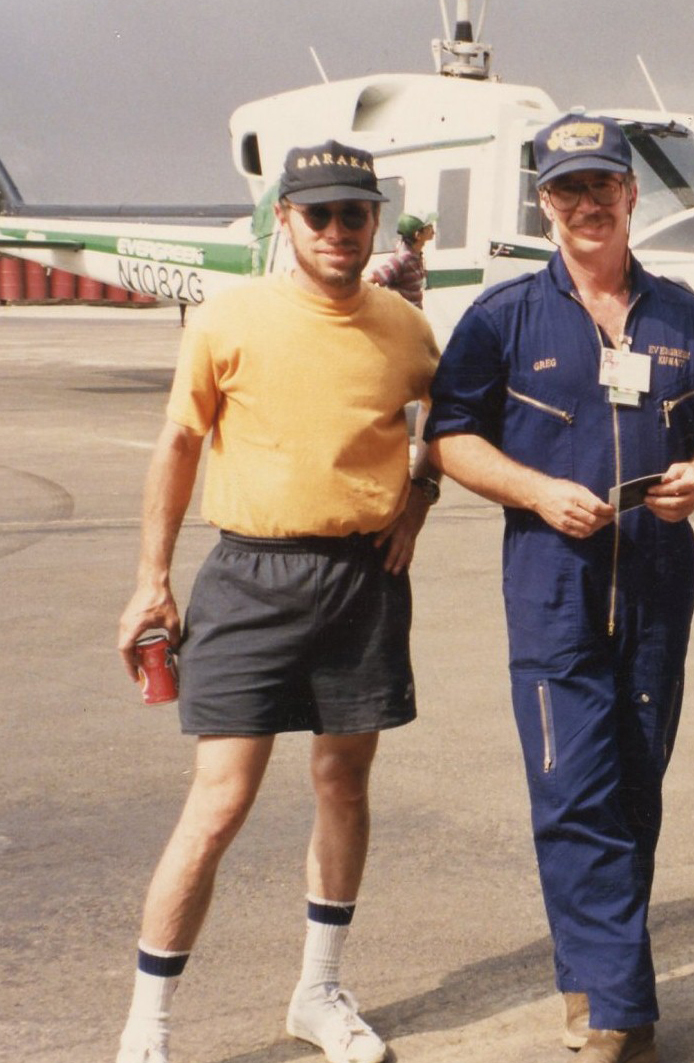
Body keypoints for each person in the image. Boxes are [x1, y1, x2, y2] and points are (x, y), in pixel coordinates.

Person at [424, 113, 694, 1063]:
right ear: (544, 203)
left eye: (603, 185)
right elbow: (450, 437)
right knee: (572, 790)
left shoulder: (683, 314)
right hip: (553, 585)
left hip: (656, 583)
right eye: (567, 190)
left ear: (632, 193)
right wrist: (532, 491)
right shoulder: (503, 317)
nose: (587, 204)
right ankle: (614, 1007)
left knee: (635, 788)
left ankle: (595, 977)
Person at [112, 141, 442, 1063]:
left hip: (363, 583)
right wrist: (151, 579)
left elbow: (446, 422)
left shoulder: (407, 329)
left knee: (343, 782)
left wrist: (418, 497)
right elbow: (179, 445)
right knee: (219, 804)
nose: (338, 231)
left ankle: (319, 991)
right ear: (286, 220)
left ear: (374, 219)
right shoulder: (228, 319)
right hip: (250, 577)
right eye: (319, 215)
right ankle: (148, 1026)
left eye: (354, 214)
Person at [369, 212, 435, 307]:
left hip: (414, 316)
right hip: (402, 317)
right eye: (429, 227)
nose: (433, 230)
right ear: (418, 235)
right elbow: (374, 279)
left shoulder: (416, 256)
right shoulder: (402, 259)